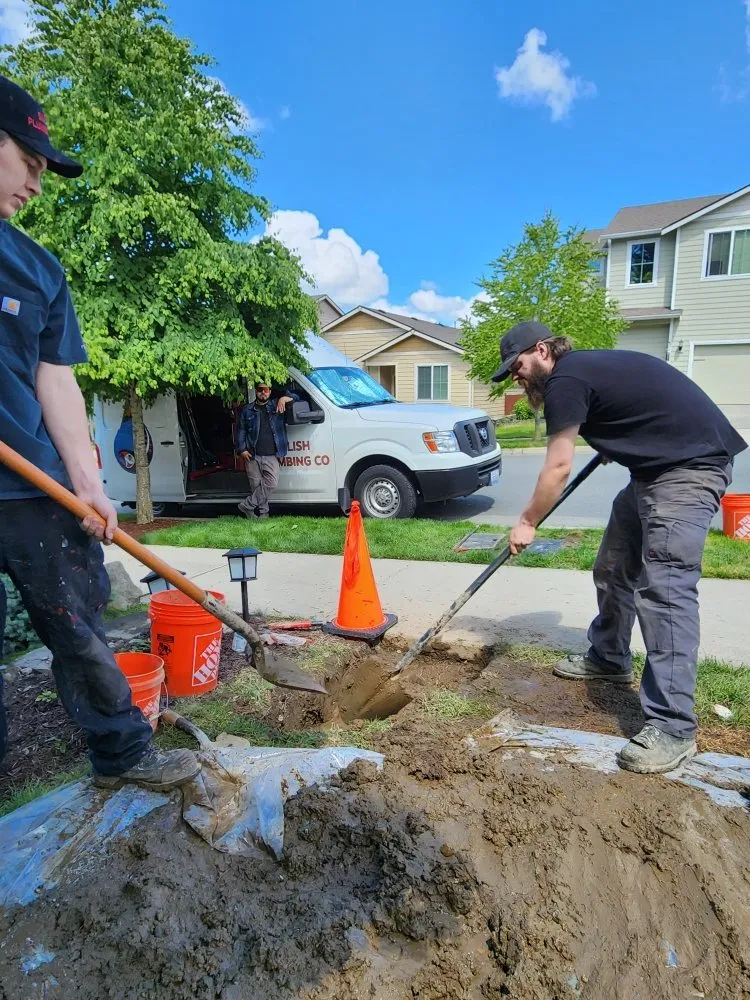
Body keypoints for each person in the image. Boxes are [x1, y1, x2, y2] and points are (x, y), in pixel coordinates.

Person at [0, 75, 199, 790]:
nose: (37, 184)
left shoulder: (37, 269)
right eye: (29, 163)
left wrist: (89, 484)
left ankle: (123, 755)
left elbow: (55, 380)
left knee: (79, 625)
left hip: (31, 485)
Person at [493, 320, 747, 775]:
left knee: (664, 591)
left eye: (518, 364)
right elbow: (636, 406)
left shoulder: (565, 380)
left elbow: (558, 468)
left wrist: (527, 521)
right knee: (612, 566)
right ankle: (609, 657)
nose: (516, 375)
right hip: (654, 470)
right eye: (511, 371)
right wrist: (618, 439)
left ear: (542, 350)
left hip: (687, 471)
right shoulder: (583, 371)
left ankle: (673, 727)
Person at [236, 381, 298, 519]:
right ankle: (263, 513)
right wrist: (242, 449)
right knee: (256, 485)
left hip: (271, 454)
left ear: (270, 391)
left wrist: (284, 398)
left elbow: (297, 397)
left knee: (271, 482)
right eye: (260, 389)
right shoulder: (247, 409)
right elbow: (241, 430)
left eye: (265, 389)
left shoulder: (276, 404)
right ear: (256, 391)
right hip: (252, 454)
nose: (263, 392)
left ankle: (247, 505)